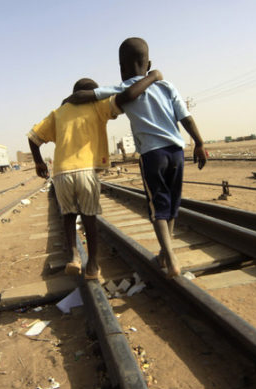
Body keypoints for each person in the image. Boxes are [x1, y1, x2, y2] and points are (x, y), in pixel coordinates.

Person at [65, 37, 208, 277]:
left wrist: (70, 100)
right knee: (171, 205)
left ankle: (170, 258)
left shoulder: (123, 88)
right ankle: (165, 253)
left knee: (156, 208)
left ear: (121, 68)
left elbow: (86, 95)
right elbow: (187, 118)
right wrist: (200, 143)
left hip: (153, 155)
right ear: (149, 62)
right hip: (176, 152)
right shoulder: (166, 86)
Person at [27, 73, 162, 279]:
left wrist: (38, 162)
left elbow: (34, 138)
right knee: (89, 218)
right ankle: (92, 265)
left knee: (69, 216)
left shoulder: (58, 112)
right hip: (86, 171)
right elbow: (126, 97)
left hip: (62, 173)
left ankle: (73, 255)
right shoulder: (98, 106)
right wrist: (151, 78)